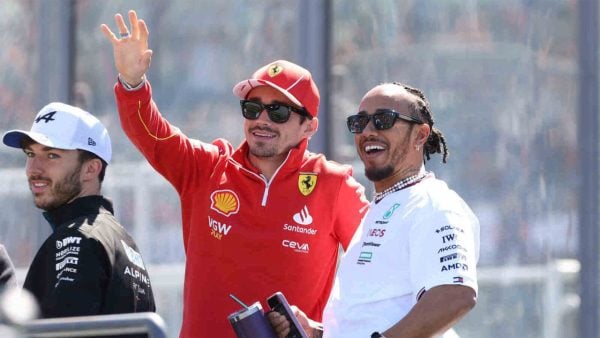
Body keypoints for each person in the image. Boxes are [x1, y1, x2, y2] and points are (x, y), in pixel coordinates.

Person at [100, 10, 369, 337]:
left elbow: (382, 259)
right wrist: (132, 83)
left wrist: (324, 330)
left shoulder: (334, 184)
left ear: (308, 126)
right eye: (253, 108)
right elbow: (150, 134)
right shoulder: (207, 167)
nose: (262, 120)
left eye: (279, 111)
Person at [268, 82, 480, 338]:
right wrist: (314, 332)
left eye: (383, 120)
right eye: (360, 122)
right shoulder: (383, 206)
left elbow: (456, 295)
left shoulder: (434, 203)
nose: (368, 131)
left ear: (420, 135)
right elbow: (374, 319)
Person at [2, 102, 156, 336]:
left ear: (91, 169)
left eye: (52, 155)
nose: (33, 168)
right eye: (30, 154)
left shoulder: (77, 238)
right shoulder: (120, 239)